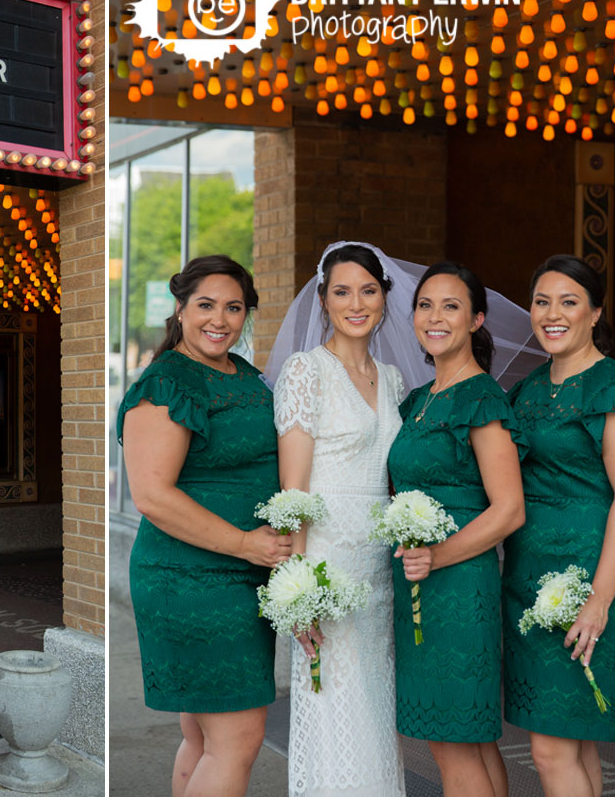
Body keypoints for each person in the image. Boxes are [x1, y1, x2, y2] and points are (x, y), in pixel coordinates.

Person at [502, 255, 615, 796]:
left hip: (588, 581)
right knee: (572, 740)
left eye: (569, 302)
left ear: (596, 312)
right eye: (542, 301)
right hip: (528, 579)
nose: (552, 314)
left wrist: (598, 598)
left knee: (549, 748)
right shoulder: (529, 388)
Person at [119, 255, 290, 797]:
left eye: (234, 307)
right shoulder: (169, 379)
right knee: (237, 738)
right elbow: (151, 495)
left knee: (204, 735)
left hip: (242, 573)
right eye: (206, 305)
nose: (220, 319)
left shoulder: (245, 374)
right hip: (192, 576)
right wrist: (246, 543)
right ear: (181, 308)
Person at [271, 243, 406, 796]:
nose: (356, 303)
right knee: (333, 712)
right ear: (323, 300)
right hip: (326, 573)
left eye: (368, 291)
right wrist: (298, 592)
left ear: (383, 298)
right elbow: (292, 493)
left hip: (380, 573)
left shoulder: (395, 379)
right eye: (343, 291)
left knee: (377, 712)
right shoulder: (305, 372)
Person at [388, 262, 527, 797]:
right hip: (420, 582)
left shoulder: (481, 398)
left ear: (476, 320)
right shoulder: (419, 401)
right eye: (425, 305)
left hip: (459, 583)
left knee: (452, 741)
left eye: (450, 306)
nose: (434, 316)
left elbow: (509, 508)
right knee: (467, 740)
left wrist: (438, 556)